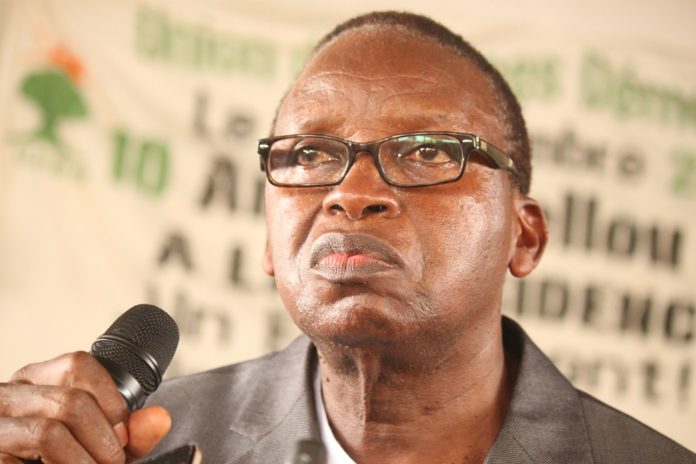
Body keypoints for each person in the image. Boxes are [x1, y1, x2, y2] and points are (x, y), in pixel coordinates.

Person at [0, 11, 694, 464]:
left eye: (428, 151)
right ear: (269, 240)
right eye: (308, 155)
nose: (351, 193)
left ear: (525, 236)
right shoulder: (135, 447)